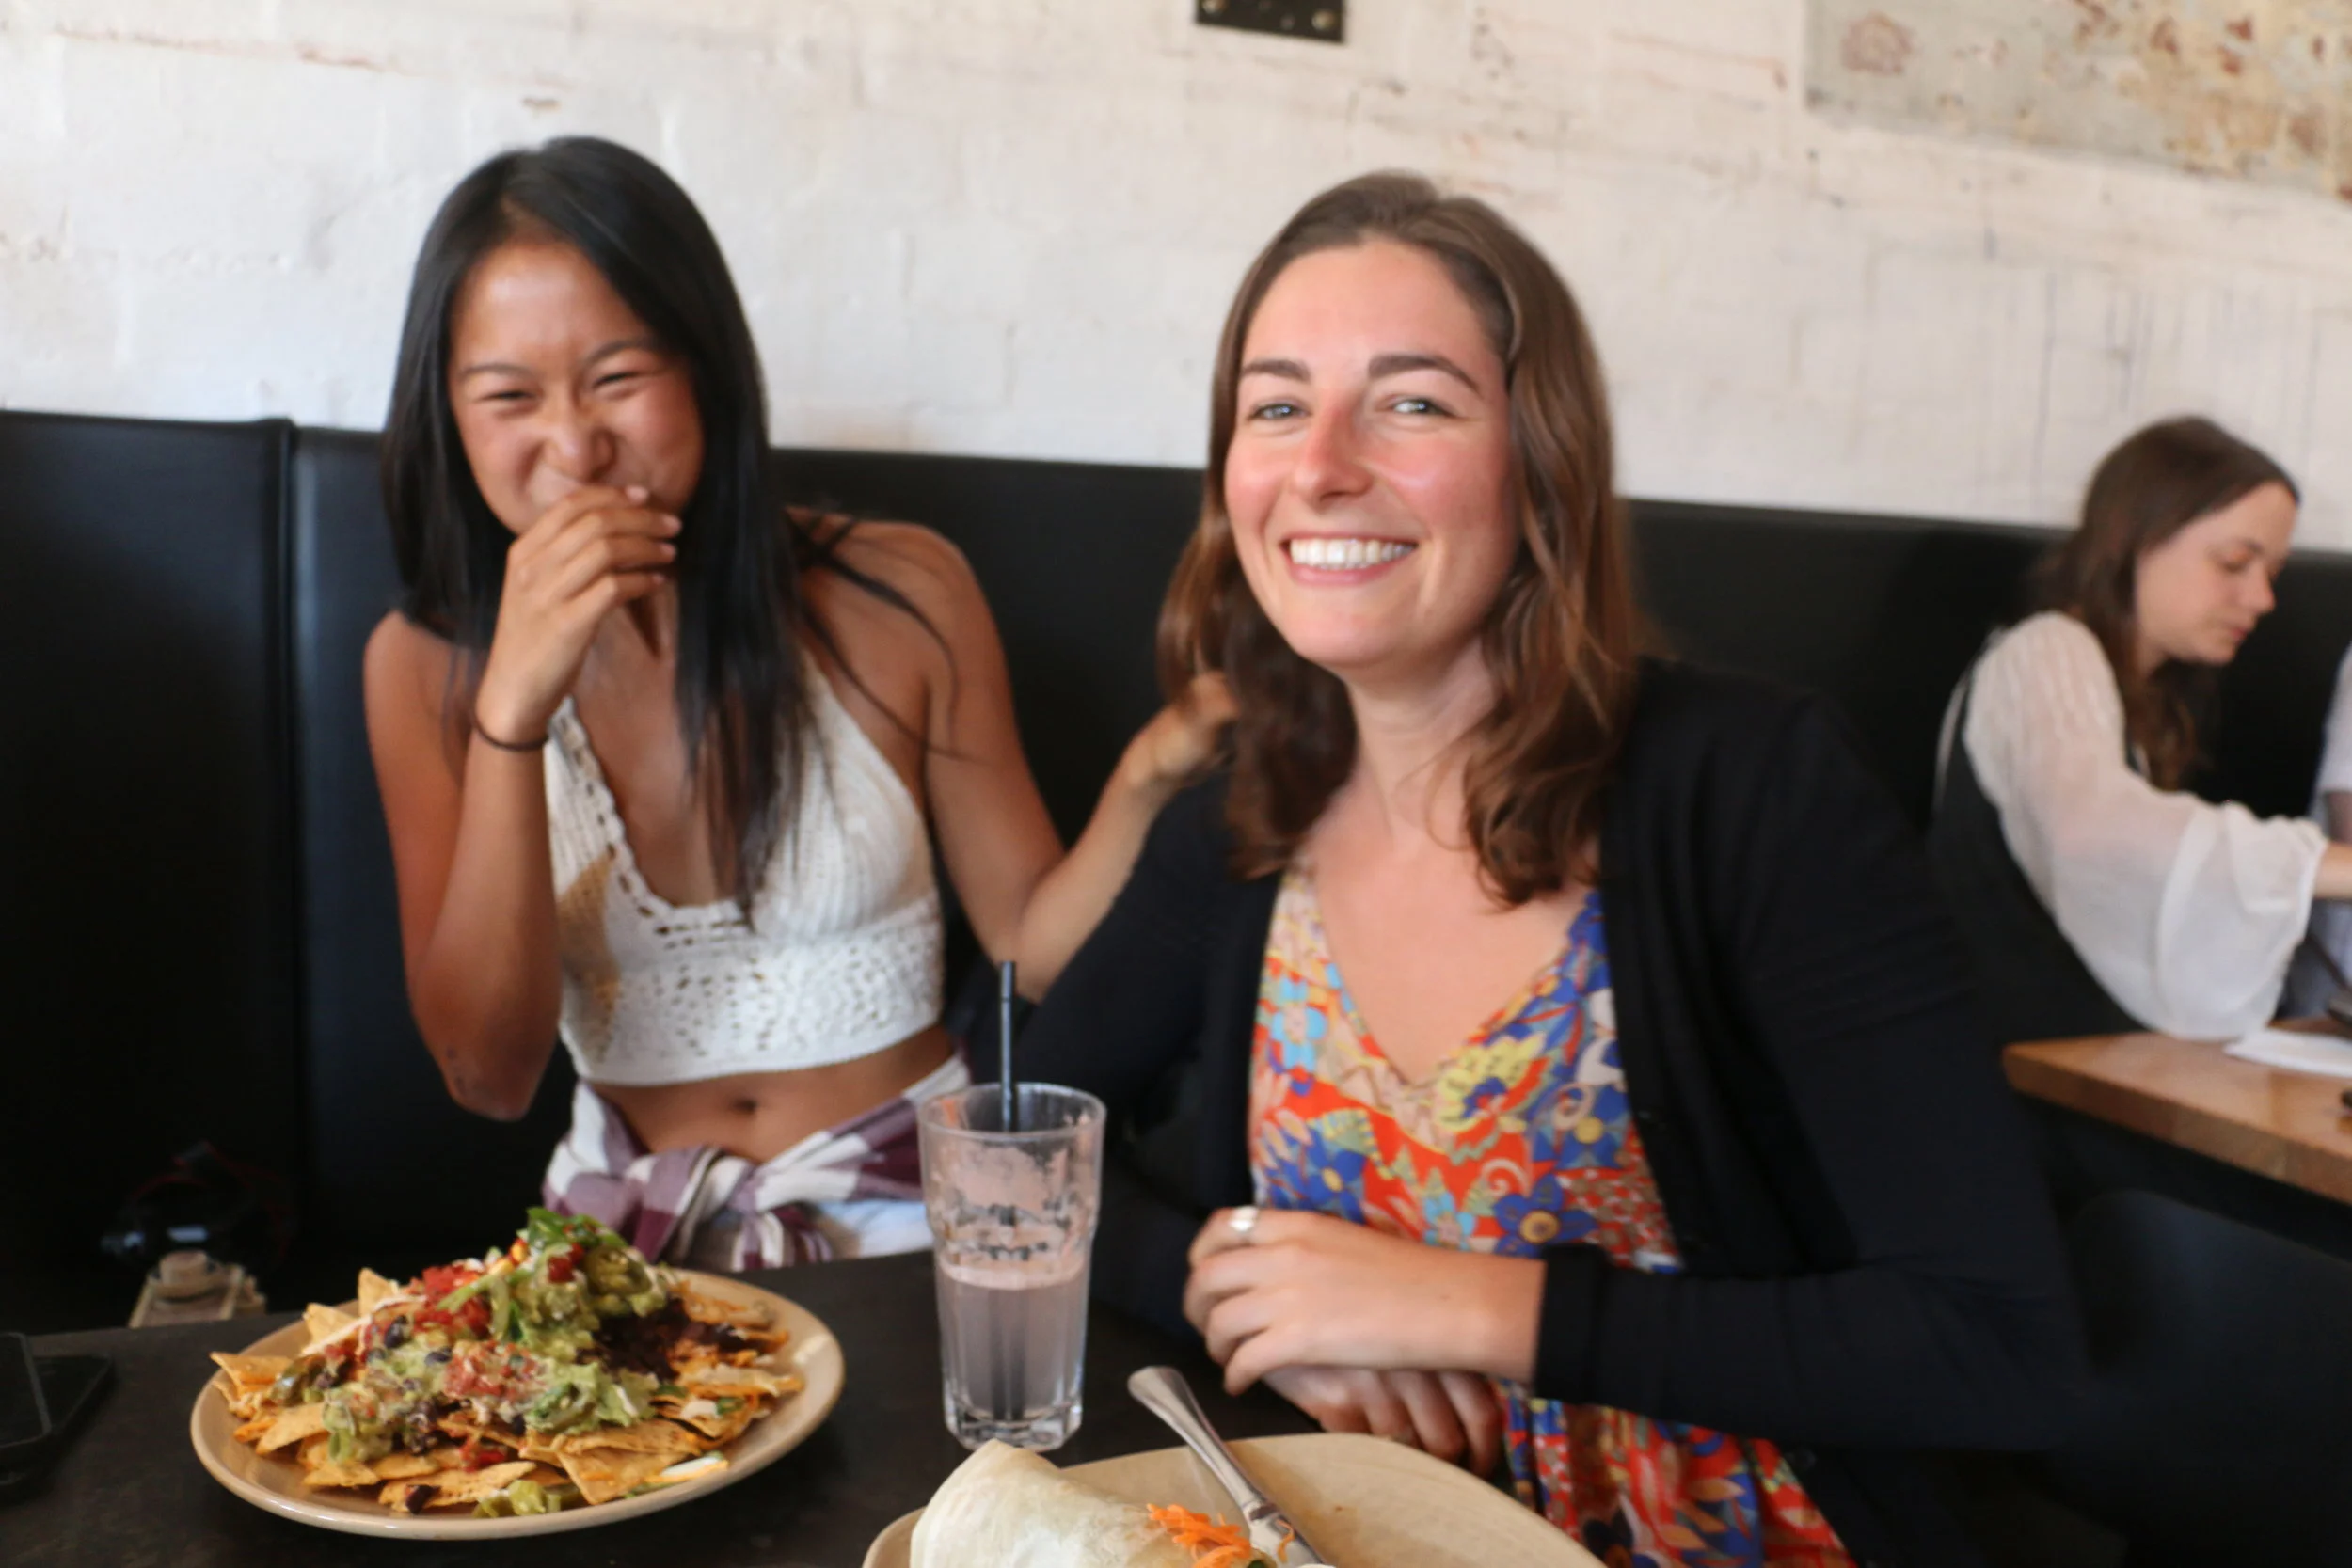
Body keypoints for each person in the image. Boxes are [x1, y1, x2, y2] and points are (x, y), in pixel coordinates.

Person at [1013, 172, 2081, 1568]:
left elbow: (1999, 1344)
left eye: (1412, 402)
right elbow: (1010, 1146)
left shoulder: (1751, 786)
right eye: (1274, 407)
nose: (1321, 465)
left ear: (1542, 464)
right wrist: (1249, 1292)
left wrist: (1460, 1303)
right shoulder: (1245, 817)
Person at [363, 137, 1225, 1271]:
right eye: (509, 396)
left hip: (926, 1212)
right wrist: (512, 713)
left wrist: (1153, 770)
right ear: (450, 417)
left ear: (706, 370)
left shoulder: (901, 590)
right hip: (630, 1243)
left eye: (618, 378)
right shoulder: (423, 663)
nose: (574, 443)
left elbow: (1031, 943)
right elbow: (489, 1074)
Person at [1929, 417, 2352, 1048]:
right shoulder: (2046, 651)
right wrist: (2322, 867)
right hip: (2004, 1073)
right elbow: (2092, 831)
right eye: (2235, 562)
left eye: (2272, 572)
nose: (2262, 598)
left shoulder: (2135, 694)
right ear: (2133, 538)